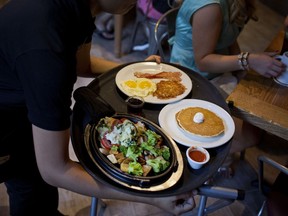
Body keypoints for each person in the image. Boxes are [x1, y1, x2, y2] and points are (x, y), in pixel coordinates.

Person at [0, 0, 196, 215]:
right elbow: (56, 169)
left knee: (36, 187)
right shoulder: (46, 51)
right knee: (27, 185)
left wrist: (137, 72)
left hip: (23, 98)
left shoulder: (81, 9)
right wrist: (153, 197)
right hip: (6, 121)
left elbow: (81, 64)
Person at [170, 0, 287, 177]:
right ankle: (196, 161)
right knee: (252, 132)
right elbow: (203, 62)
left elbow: (228, 40)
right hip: (191, 79)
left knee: (258, 106)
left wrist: (243, 68)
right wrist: (248, 60)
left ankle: (213, 151)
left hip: (218, 73)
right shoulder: (209, 7)